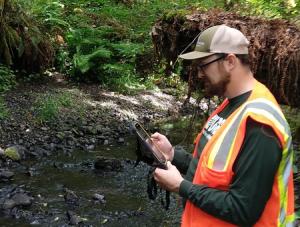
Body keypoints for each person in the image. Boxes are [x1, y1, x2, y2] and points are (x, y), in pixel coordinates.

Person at [150, 25, 295, 226]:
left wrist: (181, 186)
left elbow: (243, 210)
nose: (199, 74)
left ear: (230, 61)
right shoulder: (229, 105)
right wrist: (172, 155)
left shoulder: (260, 125)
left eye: (203, 65)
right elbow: (209, 172)